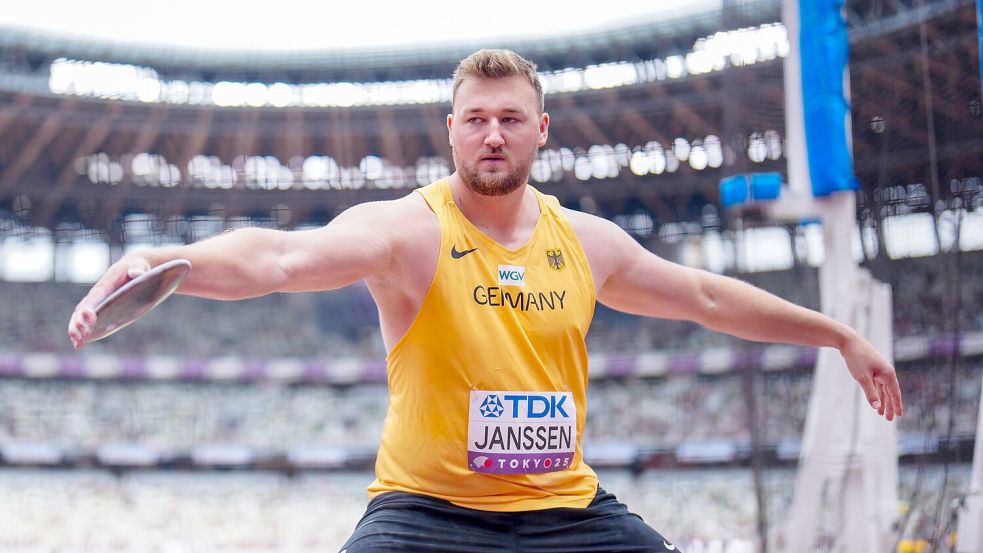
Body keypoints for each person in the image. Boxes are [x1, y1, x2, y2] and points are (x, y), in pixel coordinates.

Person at [68, 49, 902, 552]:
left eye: (510, 118)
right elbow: (280, 256)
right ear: (451, 130)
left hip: (565, 509)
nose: (492, 134)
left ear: (542, 130)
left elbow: (705, 297)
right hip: (426, 513)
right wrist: (163, 258)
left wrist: (837, 335)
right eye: (475, 119)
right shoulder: (409, 231)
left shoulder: (587, 242)